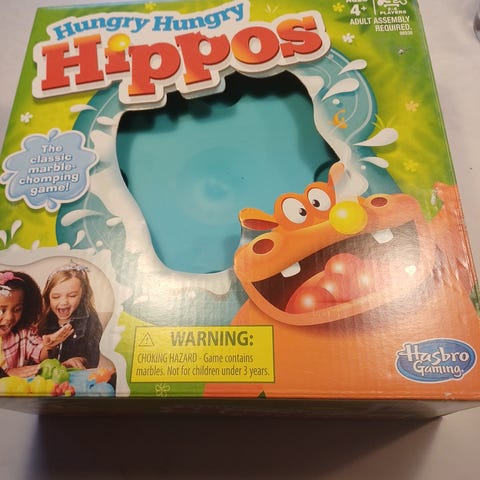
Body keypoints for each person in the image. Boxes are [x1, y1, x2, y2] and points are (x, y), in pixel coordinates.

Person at [0, 270, 71, 378]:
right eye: (2, 310)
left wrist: (48, 346)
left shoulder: (23, 333)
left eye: (17, 309)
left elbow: (39, 354)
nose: (9, 317)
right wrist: (5, 375)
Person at [39, 262, 103, 369]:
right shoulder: (43, 320)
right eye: (56, 297)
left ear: (82, 295)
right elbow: (34, 357)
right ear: (48, 297)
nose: (64, 302)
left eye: (72, 296)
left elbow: (95, 354)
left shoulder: (90, 319)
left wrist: (81, 360)